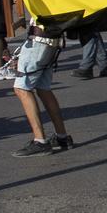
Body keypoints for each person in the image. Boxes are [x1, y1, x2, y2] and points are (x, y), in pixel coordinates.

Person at [9, 21, 76, 157]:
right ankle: (61, 136)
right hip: (51, 37)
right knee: (43, 88)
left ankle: (40, 141)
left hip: (39, 39)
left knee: (22, 89)